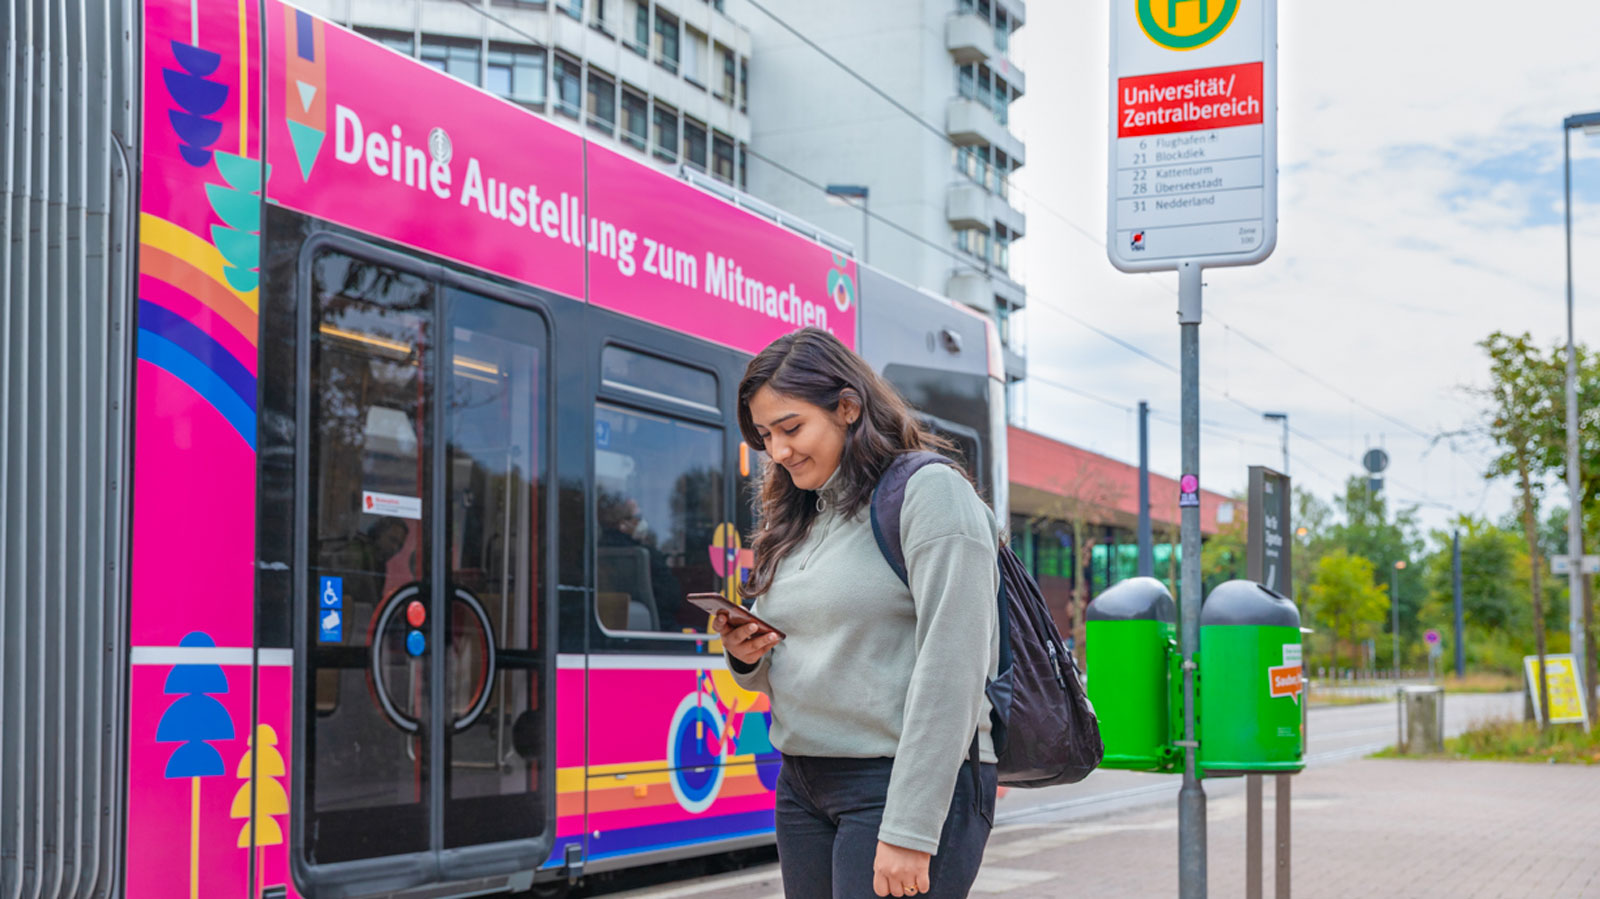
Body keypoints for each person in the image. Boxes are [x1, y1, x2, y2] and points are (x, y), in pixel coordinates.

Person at [715, 328, 1000, 899]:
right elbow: (806, 656)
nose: (778, 451)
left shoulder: (930, 494)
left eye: (791, 428)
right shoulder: (801, 516)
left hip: (895, 781)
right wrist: (747, 656)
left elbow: (955, 667)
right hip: (803, 780)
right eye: (766, 435)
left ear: (848, 407)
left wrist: (912, 829)